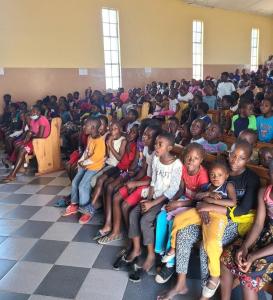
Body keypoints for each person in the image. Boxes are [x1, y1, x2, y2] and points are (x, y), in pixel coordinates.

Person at [157, 141, 260, 300]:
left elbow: (242, 209)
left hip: (233, 220)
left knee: (208, 243)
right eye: (233, 155)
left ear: (248, 160)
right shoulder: (219, 167)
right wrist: (202, 204)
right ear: (228, 153)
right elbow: (201, 192)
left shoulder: (250, 178)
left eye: (241, 158)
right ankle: (181, 284)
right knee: (184, 233)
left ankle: (206, 294)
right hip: (205, 212)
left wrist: (208, 206)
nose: (234, 160)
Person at [125, 132, 182, 281]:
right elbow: (153, 182)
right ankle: (137, 249)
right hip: (154, 197)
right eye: (156, 143)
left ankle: (150, 255)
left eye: (160, 144)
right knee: (133, 213)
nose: (156, 146)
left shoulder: (177, 164)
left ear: (169, 147)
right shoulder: (156, 159)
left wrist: (152, 203)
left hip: (164, 200)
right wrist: (148, 200)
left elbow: (172, 190)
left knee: (145, 220)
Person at [155, 143, 209, 284]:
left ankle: (170, 263)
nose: (191, 161)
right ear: (184, 157)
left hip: (193, 206)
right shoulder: (183, 168)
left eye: (196, 158)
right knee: (162, 216)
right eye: (189, 157)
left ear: (201, 160)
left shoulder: (202, 176)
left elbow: (200, 200)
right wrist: (173, 200)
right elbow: (181, 189)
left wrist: (178, 204)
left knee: (174, 222)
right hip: (183, 200)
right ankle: (161, 252)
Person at [98, 125, 161, 245]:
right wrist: (132, 180)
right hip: (143, 180)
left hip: (150, 185)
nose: (144, 136)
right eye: (144, 134)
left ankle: (132, 238)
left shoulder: (157, 156)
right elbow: (143, 170)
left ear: (155, 139)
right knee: (117, 196)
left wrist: (136, 183)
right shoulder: (147, 149)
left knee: (125, 205)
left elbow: (154, 181)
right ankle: (116, 232)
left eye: (148, 136)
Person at [220, 160, 273, 300]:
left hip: (270, 250)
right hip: (265, 235)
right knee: (228, 255)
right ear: (269, 174)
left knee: (248, 274)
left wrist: (253, 256)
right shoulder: (265, 192)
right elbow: (258, 225)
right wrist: (245, 246)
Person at [94, 124, 139, 239]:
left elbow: (132, 166)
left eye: (133, 132)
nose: (130, 134)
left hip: (126, 172)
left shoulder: (135, 146)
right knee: (105, 184)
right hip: (120, 168)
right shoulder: (127, 142)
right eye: (130, 131)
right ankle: (107, 219)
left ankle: (110, 224)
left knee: (110, 187)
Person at [62, 117, 106, 224]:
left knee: (83, 186)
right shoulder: (90, 137)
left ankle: (86, 211)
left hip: (94, 167)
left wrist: (83, 163)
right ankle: (74, 204)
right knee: (75, 182)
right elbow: (86, 152)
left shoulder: (100, 142)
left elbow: (95, 158)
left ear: (93, 127)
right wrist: (80, 161)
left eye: (85, 125)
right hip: (85, 165)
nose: (83, 127)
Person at [2, 105, 50, 182]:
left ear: (39, 112)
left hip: (40, 142)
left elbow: (40, 136)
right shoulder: (33, 120)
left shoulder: (42, 119)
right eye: (31, 111)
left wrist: (31, 135)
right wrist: (27, 136)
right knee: (18, 145)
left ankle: (13, 174)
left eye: (33, 111)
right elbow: (30, 131)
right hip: (33, 141)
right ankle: (16, 164)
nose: (31, 113)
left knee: (22, 150)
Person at [89, 121, 127, 218]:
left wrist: (110, 145)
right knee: (92, 178)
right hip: (107, 163)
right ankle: (99, 203)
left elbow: (119, 158)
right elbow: (107, 155)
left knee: (99, 180)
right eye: (110, 129)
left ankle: (93, 205)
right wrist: (108, 144)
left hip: (115, 166)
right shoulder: (109, 138)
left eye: (115, 129)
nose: (112, 131)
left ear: (120, 130)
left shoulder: (123, 140)